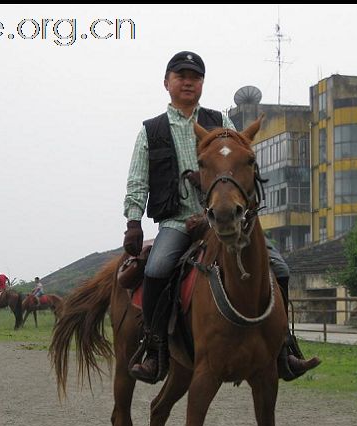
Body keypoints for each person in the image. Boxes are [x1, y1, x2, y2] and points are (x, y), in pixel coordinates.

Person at [122, 50, 320, 385]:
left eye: (195, 77)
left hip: (225, 219)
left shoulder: (222, 122)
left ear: (201, 84)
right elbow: (138, 180)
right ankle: (155, 349)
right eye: (181, 76)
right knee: (156, 269)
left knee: (281, 268)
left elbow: (240, 164)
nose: (188, 82)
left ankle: (284, 345)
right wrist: (132, 221)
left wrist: (214, 212)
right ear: (167, 82)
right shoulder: (151, 131)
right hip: (176, 221)